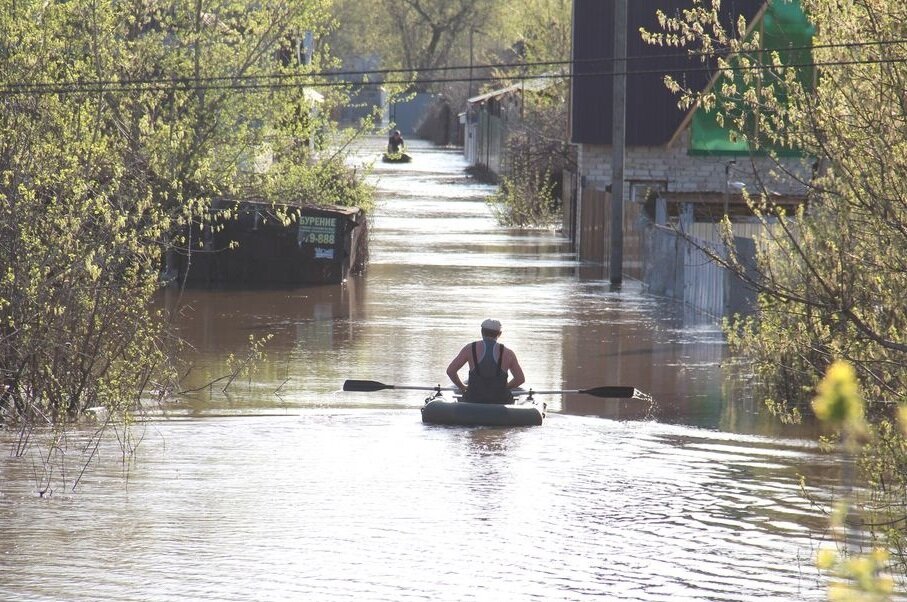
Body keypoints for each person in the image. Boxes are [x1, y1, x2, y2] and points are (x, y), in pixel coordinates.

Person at [446, 318, 525, 404]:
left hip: (473, 400)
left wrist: (463, 387)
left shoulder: (469, 348)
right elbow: (520, 379)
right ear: (499, 334)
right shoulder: (508, 353)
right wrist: (505, 387)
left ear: (482, 331)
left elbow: (451, 371)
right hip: (500, 401)